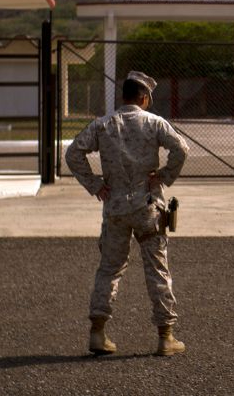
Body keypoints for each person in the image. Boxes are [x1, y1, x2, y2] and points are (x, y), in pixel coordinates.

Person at [65, 71, 189, 357]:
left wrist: (95, 184)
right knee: (157, 270)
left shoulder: (103, 125)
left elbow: (73, 154)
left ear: (123, 97)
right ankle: (165, 337)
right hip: (148, 207)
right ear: (144, 98)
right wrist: (164, 176)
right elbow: (181, 148)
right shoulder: (155, 123)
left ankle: (98, 333)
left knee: (110, 269)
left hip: (115, 208)